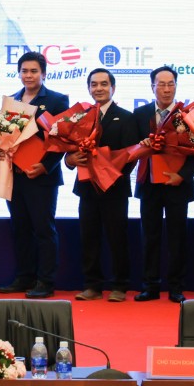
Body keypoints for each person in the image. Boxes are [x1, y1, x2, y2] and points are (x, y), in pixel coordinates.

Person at [0, 51, 69, 299]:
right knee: (20, 228)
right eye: (24, 71)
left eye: (34, 71)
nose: (29, 75)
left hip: (41, 177)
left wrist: (46, 166)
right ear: (19, 73)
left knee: (43, 230)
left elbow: (62, 139)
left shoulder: (57, 100)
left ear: (44, 74)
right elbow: (2, 136)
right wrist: (0, 152)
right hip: (15, 175)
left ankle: (45, 281)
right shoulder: (12, 101)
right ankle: (24, 276)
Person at [133, 65, 194, 303]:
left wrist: (183, 175)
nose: (166, 89)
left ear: (176, 86)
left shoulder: (187, 115)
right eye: (161, 84)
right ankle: (150, 286)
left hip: (178, 184)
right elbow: (131, 147)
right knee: (149, 236)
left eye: (170, 84)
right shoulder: (140, 114)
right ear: (152, 87)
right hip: (149, 185)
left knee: (177, 237)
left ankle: (176, 287)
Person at [69, 68, 137, 302]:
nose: (99, 88)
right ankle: (92, 285)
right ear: (89, 88)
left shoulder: (126, 117)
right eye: (94, 84)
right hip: (87, 188)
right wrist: (70, 160)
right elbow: (69, 150)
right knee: (89, 237)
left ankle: (119, 285)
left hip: (114, 189)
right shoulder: (80, 117)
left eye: (104, 84)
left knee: (117, 238)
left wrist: (110, 176)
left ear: (113, 88)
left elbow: (131, 155)